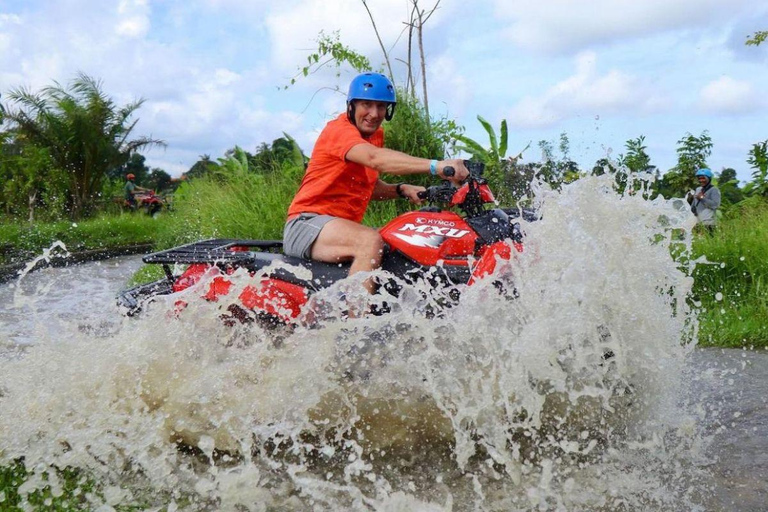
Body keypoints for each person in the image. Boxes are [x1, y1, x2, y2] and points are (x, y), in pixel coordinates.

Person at [284, 72, 469, 295]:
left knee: (399, 243)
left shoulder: (374, 135)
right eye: (366, 105)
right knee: (369, 240)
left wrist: (401, 189)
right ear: (351, 106)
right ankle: (355, 326)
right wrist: (437, 166)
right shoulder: (339, 131)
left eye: (381, 107)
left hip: (336, 228)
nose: (374, 114)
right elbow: (375, 158)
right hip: (306, 224)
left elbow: (365, 186)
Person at [686, 168, 720, 233]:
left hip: (708, 222)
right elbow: (694, 205)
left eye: (703, 178)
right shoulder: (698, 189)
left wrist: (702, 198)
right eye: (700, 178)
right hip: (698, 222)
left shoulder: (714, 190)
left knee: (708, 241)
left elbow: (715, 205)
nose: (701, 180)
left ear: (709, 178)